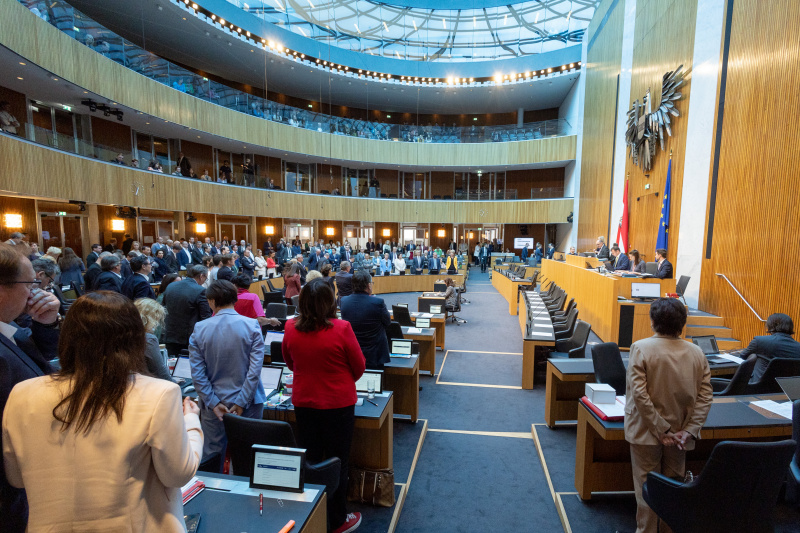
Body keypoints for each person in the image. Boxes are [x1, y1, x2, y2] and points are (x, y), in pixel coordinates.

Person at [2, 291, 202, 532]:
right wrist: (191, 421)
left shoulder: (22, 393)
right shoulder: (160, 394)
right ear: (135, 339)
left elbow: (16, 478)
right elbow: (177, 475)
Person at [282, 280, 365, 533]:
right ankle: (338, 520)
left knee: (311, 458)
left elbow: (289, 361)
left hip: (305, 402)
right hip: (338, 403)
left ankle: (311, 514)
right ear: (330, 302)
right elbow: (359, 367)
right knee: (337, 460)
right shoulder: (342, 328)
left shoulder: (290, 327)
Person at [625, 297, 712, 533]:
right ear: (682, 323)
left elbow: (640, 396)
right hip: (681, 436)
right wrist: (690, 430)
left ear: (652, 321)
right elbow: (705, 397)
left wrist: (661, 429)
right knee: (674, 491)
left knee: (647, 490)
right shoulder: (697, 352)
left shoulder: (640, 348)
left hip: (646, 432)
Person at [0, 244, 61, 531]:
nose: (34, 293)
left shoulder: (11, 330)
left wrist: (47, 324)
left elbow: (40, 357)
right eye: (30, 284)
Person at [189, 280, 266, 462]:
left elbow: (197, 374)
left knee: (213, 456)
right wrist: (241, 402)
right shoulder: (252, 325)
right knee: (248, 457)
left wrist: (214, 403)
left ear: (211, 301)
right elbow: (254, 371)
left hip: (213, 402)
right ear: (235, 300)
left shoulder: (200, 328)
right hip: (249, 403)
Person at [340, 270, 391, 370]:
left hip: (353, 352)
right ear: (368, 285)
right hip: (375, 352)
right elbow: (387, 322)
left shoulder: (344, 301)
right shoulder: (378, 302)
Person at [730, 313, 800, 383]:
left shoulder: (760, 341)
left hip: (757, 389)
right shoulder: (798, 347)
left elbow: (743, 356)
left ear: (770, 325)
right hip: (785, 391)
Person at [162, 265, 212, 356]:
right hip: (188, 337)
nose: (205, 281)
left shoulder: (171, 286)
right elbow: (206, 317)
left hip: (169, 333)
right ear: (201, 276)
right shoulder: (201, 291)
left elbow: (163, 306)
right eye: (206, 278)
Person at [133, 298, 174, 381]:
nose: (157, 323)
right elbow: (160, 372)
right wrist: (174, 383)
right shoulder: (148, 339)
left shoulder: (127, 334)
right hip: (149, 384)